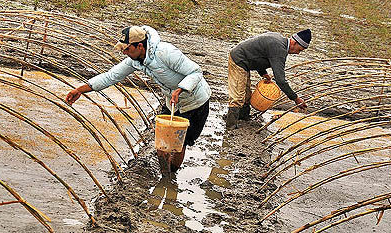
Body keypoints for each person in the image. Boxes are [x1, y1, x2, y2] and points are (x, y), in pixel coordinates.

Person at [66, 25, 211, 173]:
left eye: (127, 49)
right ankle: (165, 177)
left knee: (179, 143)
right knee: (162, 142)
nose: (124, 52)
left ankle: (170, 175)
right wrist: (80, 90)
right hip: (172, 102)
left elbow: (196, 72)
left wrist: (180, 89)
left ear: (139, 46)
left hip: (194, 102)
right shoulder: (135, 60)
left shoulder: (166, 52)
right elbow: (111, 76)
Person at [226, 29, 311, 129]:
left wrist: (263, 73)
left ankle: (243, 118)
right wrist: (295, 99)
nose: (298, 53)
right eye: (299, 50)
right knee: (238, 96)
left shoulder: (279, 40)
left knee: (246, 93)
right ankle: (230, 126)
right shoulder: (279, 49)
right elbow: (280, 80)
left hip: (245, 60)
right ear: (294, 42)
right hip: (239, 60)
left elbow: (257, 53)